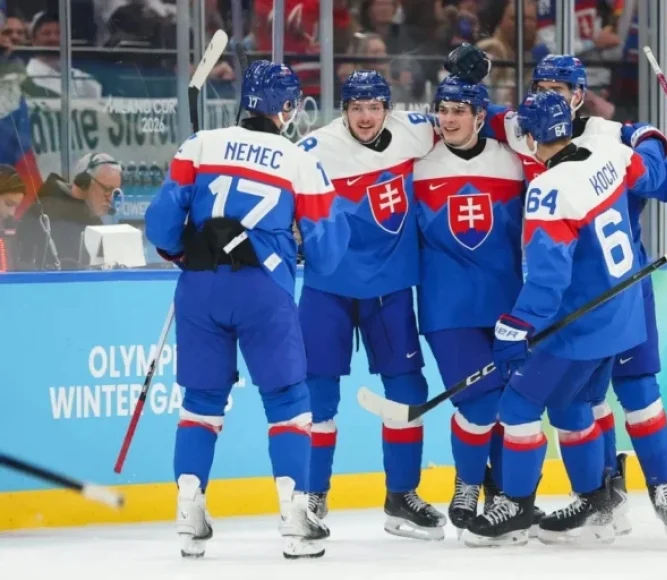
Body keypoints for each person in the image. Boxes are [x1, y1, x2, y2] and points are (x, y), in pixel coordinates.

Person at [479, 52, 667, 539]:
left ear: (580, 95)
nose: (549, 94)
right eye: (542, 85)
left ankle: (649, 488)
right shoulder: (602, 150)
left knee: (628, 392)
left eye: (558, 87)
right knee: (581, 403)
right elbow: (469, 116)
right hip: (603, 296)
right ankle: (601, 499)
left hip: (590, 298)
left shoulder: (604, 140)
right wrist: (466, 78)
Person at [296, 50, 507, 540]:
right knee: (319, 395)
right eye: (355, 107)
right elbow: (268, 189)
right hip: (328, 290)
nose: (365, 117)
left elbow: (474, 121)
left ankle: (401, 497)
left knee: (408, 392)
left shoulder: (418, 129)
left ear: (388, 108)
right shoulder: (313, 148)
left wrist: (471, 81)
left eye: (374, 106)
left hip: (390, 290)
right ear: (342, 110)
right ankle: (311, 495)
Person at [144, 60, 350, 560]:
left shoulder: (200, 145)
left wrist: (182, 253)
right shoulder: (300, 159)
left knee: (200, 402)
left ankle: (188, 515)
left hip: (199, 288)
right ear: (287, 107)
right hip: (264, 288)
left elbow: (162, 223)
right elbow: (325, 250)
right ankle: (296, 519)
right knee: (287, 401)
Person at [463, 90, 667, 547]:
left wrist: (518, 326)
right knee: (572, 406)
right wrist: (652, 136)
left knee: (518, 405)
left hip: (580, 325)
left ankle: (515, 507)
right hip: (622, 316)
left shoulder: (549, 189)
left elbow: (548, 276)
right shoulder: (610, 152)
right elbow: (652, 173)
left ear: (535, 137)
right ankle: (599, 506)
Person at [413, 75, 526, 536]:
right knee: (479, 404)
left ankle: (500, 492)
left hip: (506, 304)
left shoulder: (514, 164)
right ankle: (467, 482)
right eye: (443, 110)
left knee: (506, 403)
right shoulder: (418, 165)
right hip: (448, 307)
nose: (449, 119)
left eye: (460, 110)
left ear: (482, 116)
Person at [16, 152, 122, 271]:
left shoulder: (91, 218)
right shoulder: (45, 214)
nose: (111, 198)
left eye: (115, 192)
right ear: (84, 183)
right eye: (107, 189)